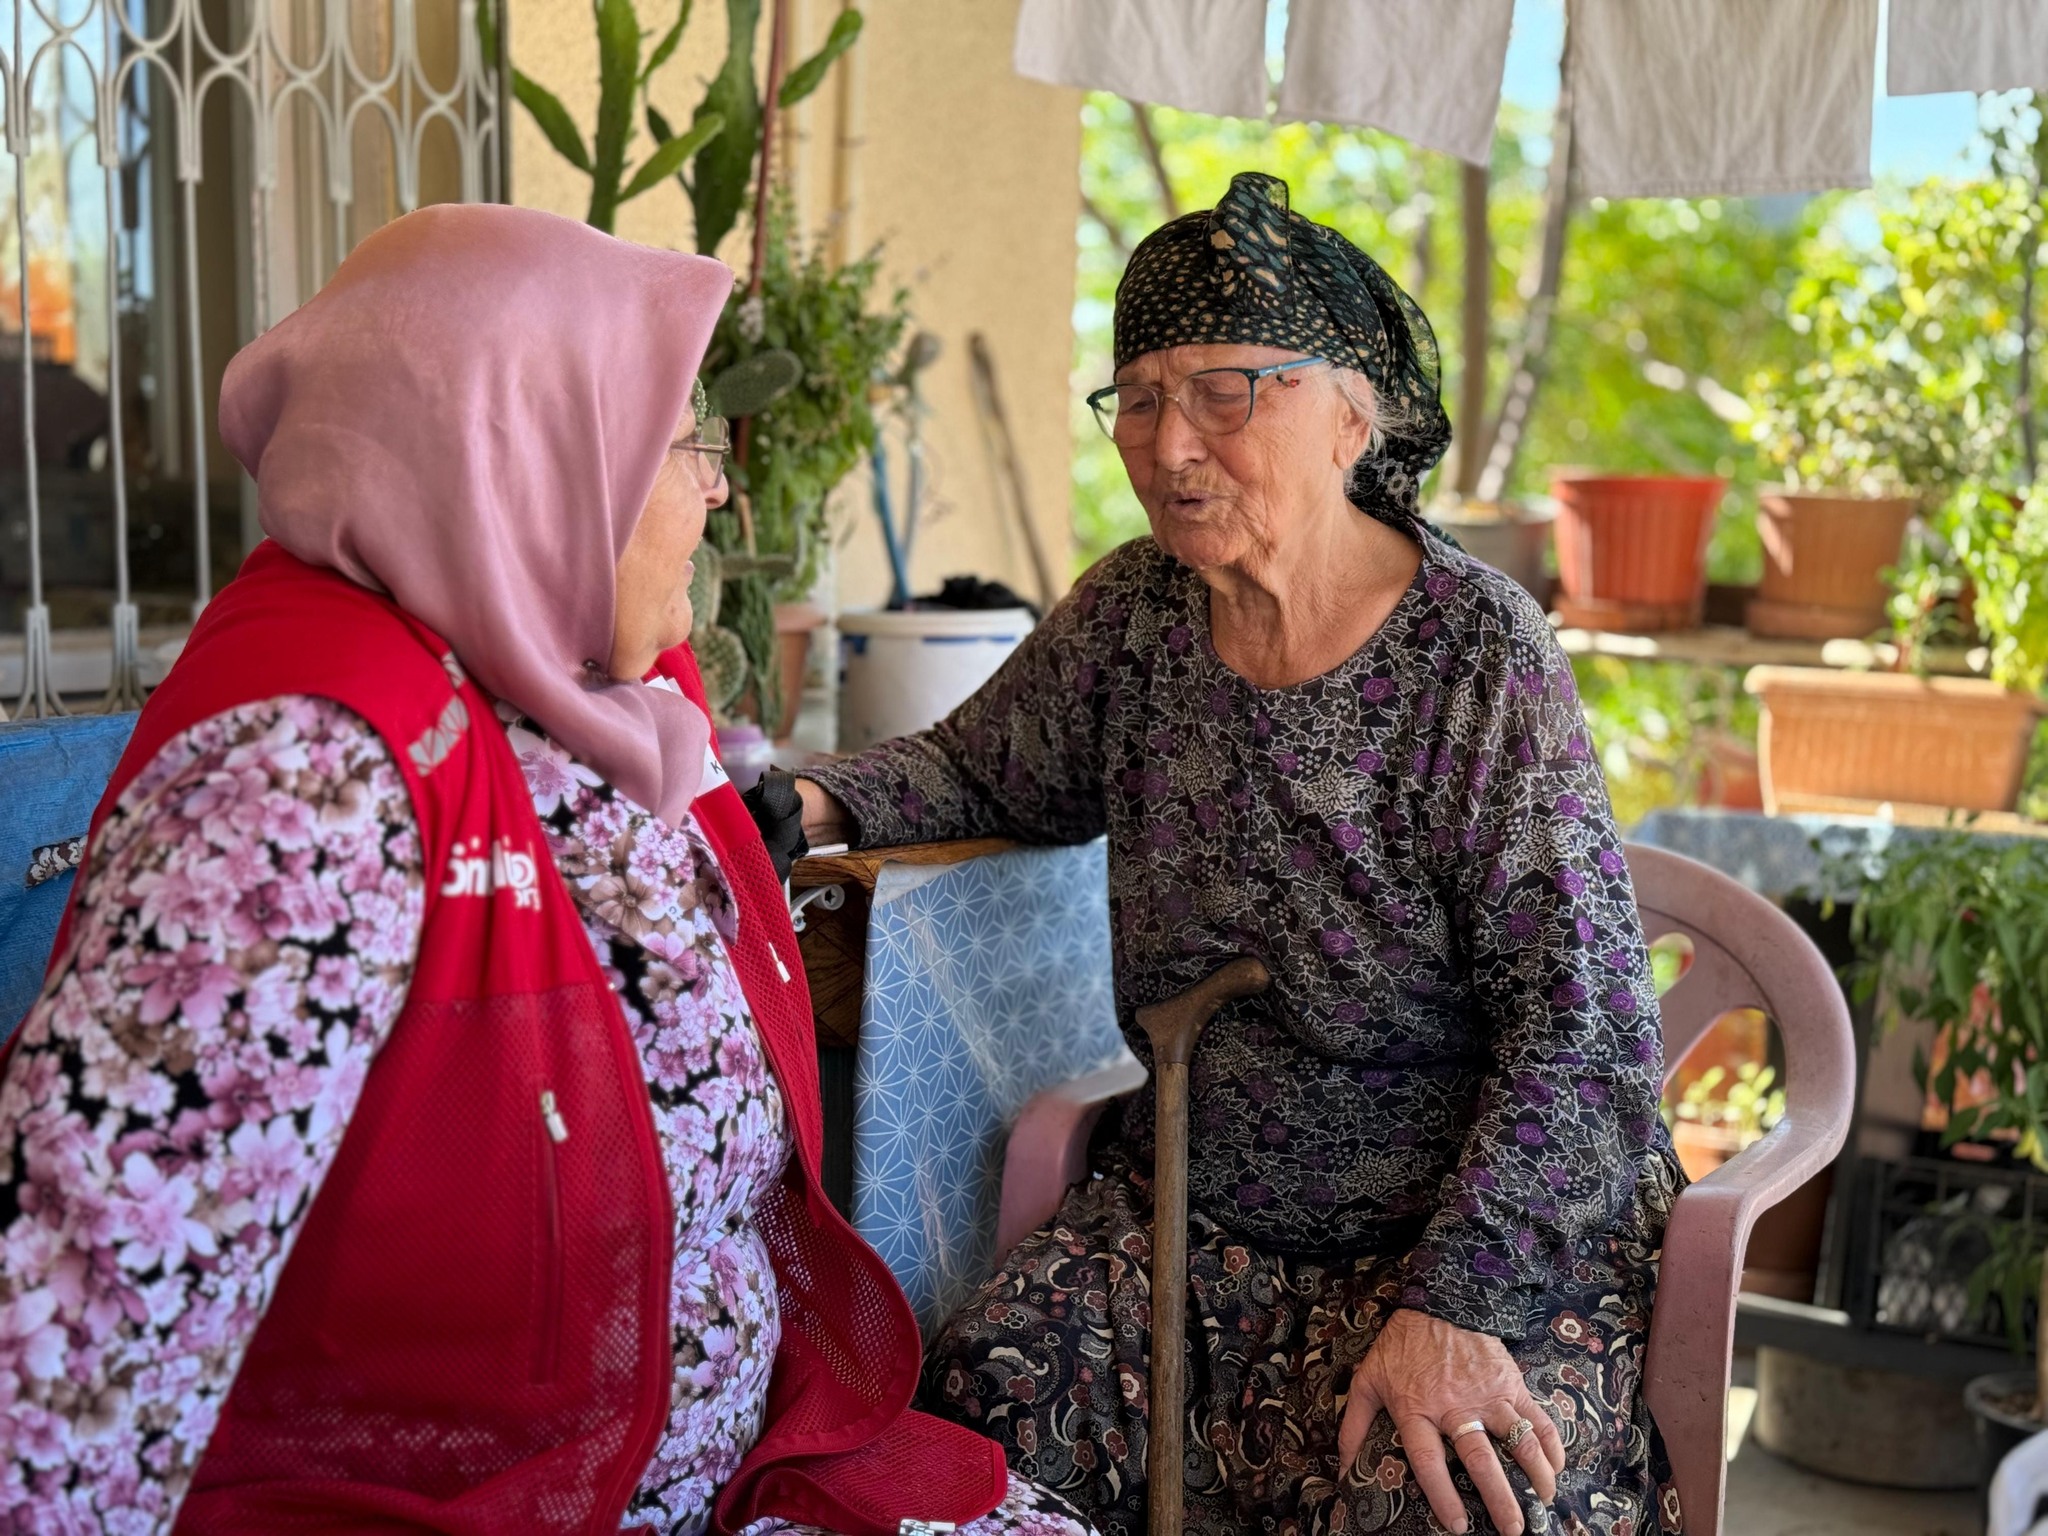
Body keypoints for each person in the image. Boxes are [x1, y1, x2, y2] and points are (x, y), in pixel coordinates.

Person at [0, 204, 1098, 1536]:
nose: (717, 484)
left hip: (730, 1466)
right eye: (679, 438)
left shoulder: (598, 701)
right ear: (519, 460)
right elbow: (78, 1352)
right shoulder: (301, 787)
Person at [772, 173, 1686, 1536]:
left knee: (1440, 1500)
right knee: (974, 1433)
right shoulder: (1137, 611)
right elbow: (979, 766)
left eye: (1222, 390)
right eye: (1136, 396)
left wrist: (1455, 1305)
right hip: (1189, 1226)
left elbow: (1585, 1024)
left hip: (1464, 1252)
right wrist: (807, 807)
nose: (1166, 442)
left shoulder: (1477, 658)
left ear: (1350, 413)